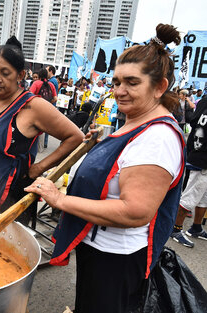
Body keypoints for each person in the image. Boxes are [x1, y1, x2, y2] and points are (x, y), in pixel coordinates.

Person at [25, 24, 185, 312]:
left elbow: (135, 211)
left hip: (118, 258)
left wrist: (60, 200)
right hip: (98, 249)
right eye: (116, 82)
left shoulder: (158, 138)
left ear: (160, 87)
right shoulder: (136, 120)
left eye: (132, 83)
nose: (119, 91)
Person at [0, 36, 83, 225]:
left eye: (5, 73)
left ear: (20, 75)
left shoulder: (33, 106)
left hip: (6, 198)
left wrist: (39, 168)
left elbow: (75, 137)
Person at [170, 96, 207, 248]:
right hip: (201, 158)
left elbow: (193, 120)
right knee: (190, 197)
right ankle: (175, 229)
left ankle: (196, 227)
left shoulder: (204, 101)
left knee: (203, 198)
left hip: (198, 154)